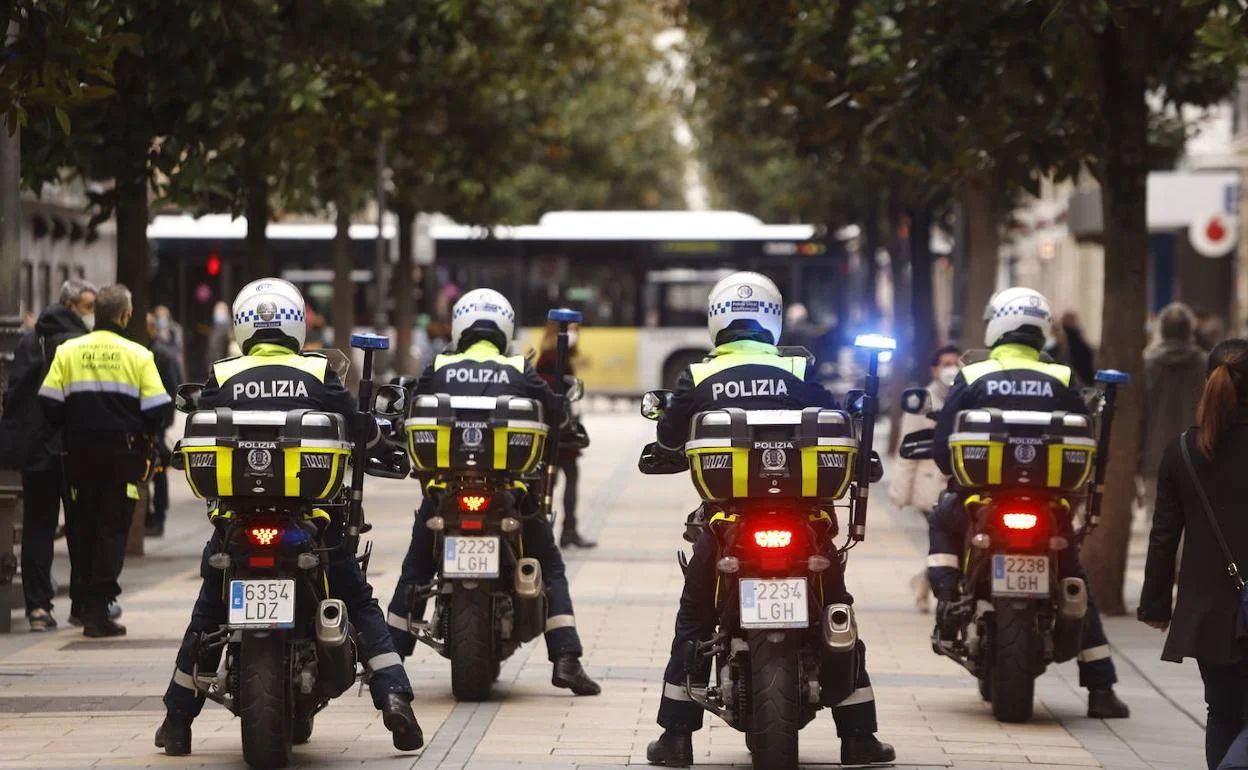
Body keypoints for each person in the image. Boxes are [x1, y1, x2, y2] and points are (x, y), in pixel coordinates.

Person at [155, 278, 423, 756]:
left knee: (210, 609)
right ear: (296, 323)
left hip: (236, 523)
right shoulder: (318, 371)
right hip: (310, 522)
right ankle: (395, 700)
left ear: (242, 326)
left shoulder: (223, 372)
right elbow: (360, 428)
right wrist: (381, 437)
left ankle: (177, 722)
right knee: (357, 601)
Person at [646, 271, 895, 767]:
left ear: (717, 320)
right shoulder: (798, 372)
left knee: (695, 615)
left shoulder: (696, 377)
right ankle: (858, 737)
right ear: (774, 321)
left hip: (728, 524)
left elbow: (672, 440)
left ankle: (676, 739)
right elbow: (836, 428)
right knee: (835, 611)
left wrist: (661, 451)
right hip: (804, 524)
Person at [385, 288, 601, 697]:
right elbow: (555, 414)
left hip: (444, 492)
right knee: (548, 565)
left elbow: (408, 412)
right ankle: (567, 660)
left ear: (459, 328)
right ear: (505, 329)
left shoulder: (439, 365)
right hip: (510, 494)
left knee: (416, 568)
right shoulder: (519, 367)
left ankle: (390, 663)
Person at [929, 286, 1130, 719]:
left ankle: (947, 599)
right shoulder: (1061, 378)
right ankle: (1101, 689)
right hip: (1049, 507)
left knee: (941, 521)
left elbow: (944, 445)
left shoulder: (974, 373)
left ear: (996, 324)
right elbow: (1087, 441)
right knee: (1072, 574)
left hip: (981, 501)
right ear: (1041, 329)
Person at [1139, 338, 1248, 770]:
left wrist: (1156, 605)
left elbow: (1164, 534)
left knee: (1221, 713)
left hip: (1207, 610)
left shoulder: (1184, 450)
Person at [37, 285, 170, 637]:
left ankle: (84, 603)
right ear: (125, 316)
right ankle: (98, 609)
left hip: (78, 453)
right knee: (113, 528)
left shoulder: (68, 351)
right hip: (122, 457)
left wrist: (73, 424)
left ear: (95, 315)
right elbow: (159, 407)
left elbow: (49, 403)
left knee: (82, 525)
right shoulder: (138, 355)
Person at [0, 279, 96, 631]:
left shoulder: (30, 341)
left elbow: (17, 394)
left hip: (37, 450)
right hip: (73, 448)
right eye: (88, 307)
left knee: (38, 529)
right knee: (82, 526)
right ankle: (82, 605)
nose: (92, 315)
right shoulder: (83, 346)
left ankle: (38, 608)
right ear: (71, 306)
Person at [889, 344, 961, 613]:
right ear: (935, 368)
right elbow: (907, 448)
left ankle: (923, 581)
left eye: (956, 362)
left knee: (947, 544)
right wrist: (900, 491)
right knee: (943, 541)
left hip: (961, 483)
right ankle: (928, 583)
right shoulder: (923, 400)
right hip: (929, 486)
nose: (951, 367)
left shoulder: (965, 394)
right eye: (946, 363)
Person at [1140, 302, 1206, 515]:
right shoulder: (1206, 366)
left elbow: (1139, 415)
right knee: (1192, 520)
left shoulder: (1146, 365)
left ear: (1162, 330)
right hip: (1196, 456)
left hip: (1155, 456)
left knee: (1156, 518)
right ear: (1190, 330)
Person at [535, 319, 594, 549]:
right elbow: (553, 392)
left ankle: (563, 530)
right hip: (557, 428)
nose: (574, 334)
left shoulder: (555, 356)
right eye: (570, 330)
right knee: (552, 478)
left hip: (559, 426)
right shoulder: (552, 358)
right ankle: (559, 530)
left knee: (560, 477)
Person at [145, 312, 183, 537]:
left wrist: (163, 421)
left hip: (155, 422)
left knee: (158, 470)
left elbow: (172, 391)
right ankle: (152, 515)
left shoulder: (162, 355)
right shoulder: (149, 352)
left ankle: (158, 515)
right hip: (149, 421)